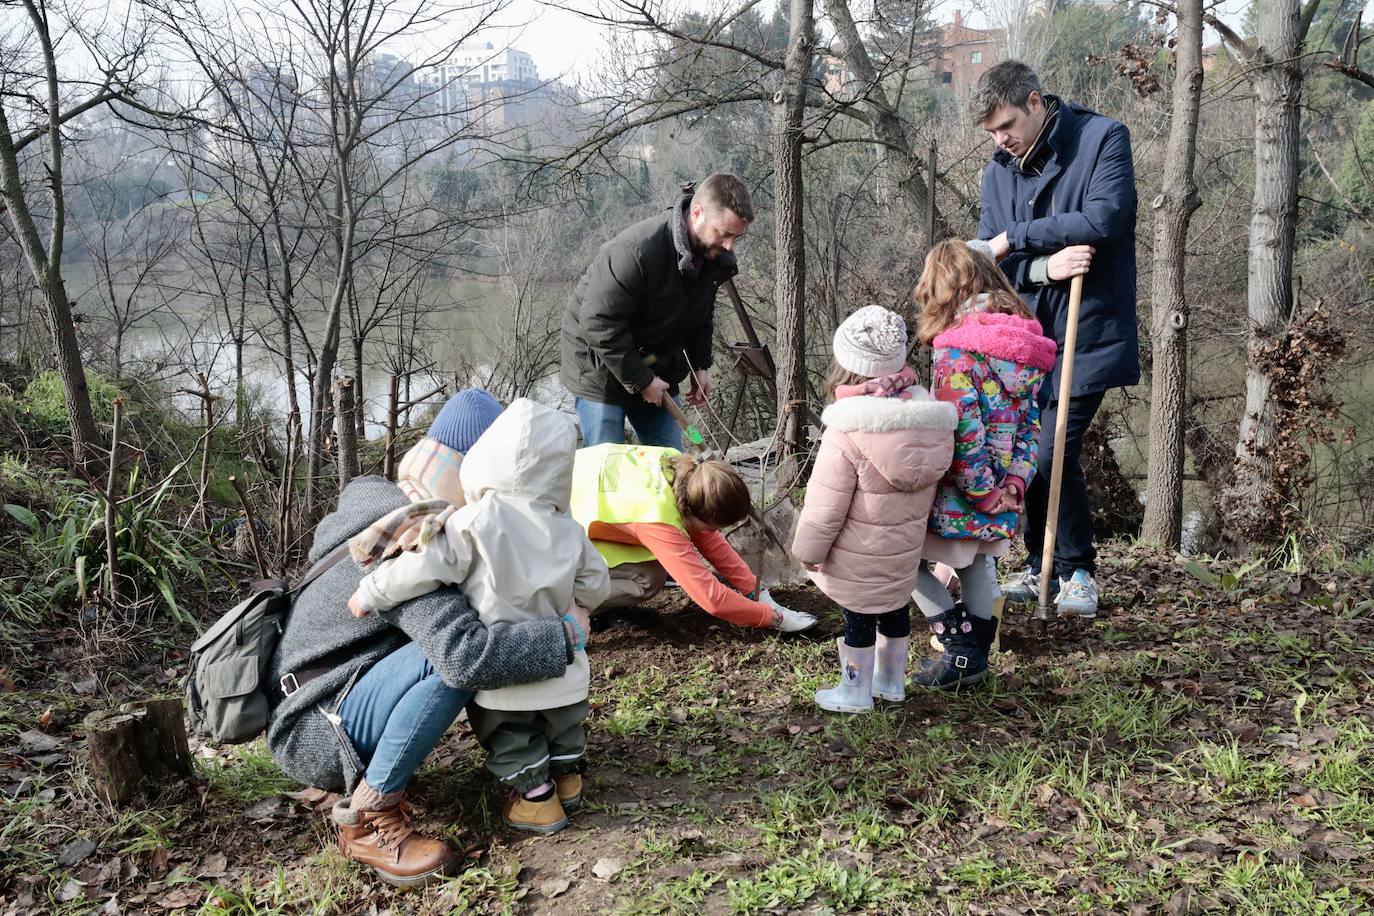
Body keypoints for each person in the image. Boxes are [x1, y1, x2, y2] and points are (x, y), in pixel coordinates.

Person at [267, 390, 586, 888]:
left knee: (452, 649)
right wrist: (565, 635)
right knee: (455, 657)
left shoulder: (381, 509)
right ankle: (370, 817)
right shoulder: (412, 538)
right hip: (319, 729)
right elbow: (468, 658)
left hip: (311, 701)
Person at [347, 399, 610, 837]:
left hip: (506, 673)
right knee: (563, 730)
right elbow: (597, 583)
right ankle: (568, 781)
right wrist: (579, 604)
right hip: (566, 671)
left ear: (486, 458)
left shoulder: (473, 521)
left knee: (514, 739)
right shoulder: (569, 529)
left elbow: (422, 567)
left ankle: (538, 802)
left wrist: (369, 592)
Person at [973, 59, 1139, 618]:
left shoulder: (1102, 138)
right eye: (993, 133)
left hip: (1088, 328)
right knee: (1027, 449)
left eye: (1007, 126)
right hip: (1023, 337)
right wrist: (1044, 268)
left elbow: (1103, 219)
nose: (1002, 141)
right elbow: (989, 270)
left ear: (1037, 102)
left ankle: (1078, 572)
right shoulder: (998, 172)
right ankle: (1040, 562)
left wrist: (1013, 238)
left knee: (1053, 446)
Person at [791, 306, 956, 714]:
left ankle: (855, 690)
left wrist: (808, 553)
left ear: (847, 367)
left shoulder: (848, 429)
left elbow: (824, 505)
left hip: (857, 552)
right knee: (895, 608)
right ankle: (890, 682)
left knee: (859, 616)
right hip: (903, 552)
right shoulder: (929, 419)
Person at [909, 241, 1057, 689]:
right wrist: (1015, 482)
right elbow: (1033, 423)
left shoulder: (955, 351)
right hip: (1004, 489)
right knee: (976, 564)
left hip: (961, 491)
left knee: (902, 561)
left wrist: (981, 492)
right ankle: (973, 661)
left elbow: (961, 434)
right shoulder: (1024, 344)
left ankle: (960, 649)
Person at [561, 173, 754, 448]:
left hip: (656, 367)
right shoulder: (635, 251)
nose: (729, 246)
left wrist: (700, 365)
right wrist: (642, 381)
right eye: (723, 234)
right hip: (600, 368)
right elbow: (597, 323)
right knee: (606, 463)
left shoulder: (713, 259)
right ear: (697, 213)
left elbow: (701, 313)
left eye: (736, 237)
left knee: (675, 453)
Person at [569, 443, 818, 633]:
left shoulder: (684, 470)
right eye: (713, 527)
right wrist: (771, 618)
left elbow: (710, 540)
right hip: (549, 523)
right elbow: (711, 598)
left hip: (579, 494)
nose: (714, 534)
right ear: (695, 513)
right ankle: (560, 604)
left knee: (652, 570)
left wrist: (755, 591)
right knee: (647, 579)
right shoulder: (657, 516)